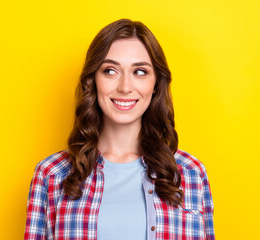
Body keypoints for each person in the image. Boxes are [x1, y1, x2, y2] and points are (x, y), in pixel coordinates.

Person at [24, 18, 215, 240]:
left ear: (155, 85)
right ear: (93, 81)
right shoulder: (52, 174)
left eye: (140, 72)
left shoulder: (190, 173)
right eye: (110, 71)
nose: (125, 87)